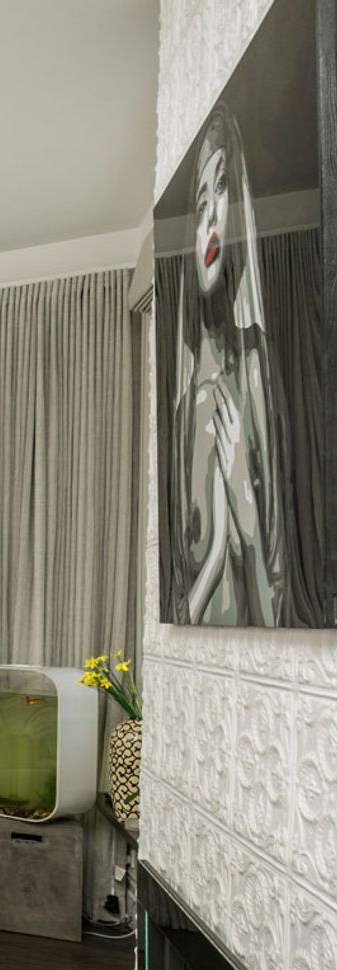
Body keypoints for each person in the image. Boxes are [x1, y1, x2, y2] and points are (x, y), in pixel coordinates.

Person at [170, 105, 289, 625]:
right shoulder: (181, 397)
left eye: (220, 191)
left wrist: (242, 491)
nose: (211, 219)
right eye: (198, 207)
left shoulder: (257, 367)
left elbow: (276, 607)